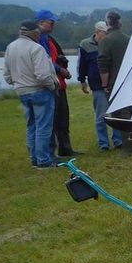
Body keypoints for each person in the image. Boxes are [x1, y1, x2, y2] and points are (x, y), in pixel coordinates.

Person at [2, 21, 59, 168]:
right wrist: (52, 86)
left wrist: (17, 83)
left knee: (31, 125)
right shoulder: (36, 48)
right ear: (33, 33)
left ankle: (34, 158)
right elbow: (42, 75)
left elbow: (7, 75)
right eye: (38, 33)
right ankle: (44, 160)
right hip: (39, 91)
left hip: (22, 91)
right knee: (43, 126)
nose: (39, 36)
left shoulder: (10, 47)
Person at [35, 9, 81, 156]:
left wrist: (62, 64)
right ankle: (50, 152)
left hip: (59, 84)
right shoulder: (39, 39)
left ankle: (65, 148)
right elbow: (45, 61)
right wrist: (60, 70)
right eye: (51, 22)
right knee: (52, 120)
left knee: (63, 118)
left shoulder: (49, 39)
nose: (53, 25)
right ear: (41, 22)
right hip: (51, 84)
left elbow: (54, 57)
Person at [77, 21, 122, 150]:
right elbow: (81, 64)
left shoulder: (111, 43)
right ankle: (103, 143)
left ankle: (118, 140)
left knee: (116, 113)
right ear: (97, 32)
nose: (107, 35)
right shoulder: (85, 45)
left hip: (113, 84)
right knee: (101, 116)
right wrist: (82, 80)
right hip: (97, 85)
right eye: (105, 33)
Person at [98, 10, 130, 105]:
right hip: (129, 83)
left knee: (115, 110)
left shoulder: (105, 41)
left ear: (107, 24)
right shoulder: (129, 39)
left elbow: (103, 65)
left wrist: (104, 85)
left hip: (113, 84)